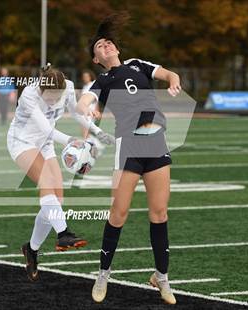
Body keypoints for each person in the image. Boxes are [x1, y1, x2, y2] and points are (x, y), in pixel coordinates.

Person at [76, 14, 182, 305]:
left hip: (156, 143)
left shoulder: (138, 65)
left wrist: (173, 80)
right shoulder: (103, 79)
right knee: (118, 214)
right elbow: (83, 102)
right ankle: (103, 274)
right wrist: (91, 109)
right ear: (96, 59)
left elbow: (169, 74)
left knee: (159, 214)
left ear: (117, 47)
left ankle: (161, 277)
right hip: (129, 147)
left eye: (108, 41)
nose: (105, 45)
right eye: (99, 45)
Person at [7, 64, 114, 282]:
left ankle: (31, 249)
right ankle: (63, 234)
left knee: (57, 198)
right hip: (22, 141)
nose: (54, 101)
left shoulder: (68, 87)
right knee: (46, 182)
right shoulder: (29, 94)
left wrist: (97, 132)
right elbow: (47, 128)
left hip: (44, 143)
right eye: (50, 97)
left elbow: (77, 114)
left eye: (57, 97)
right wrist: (73, 141)